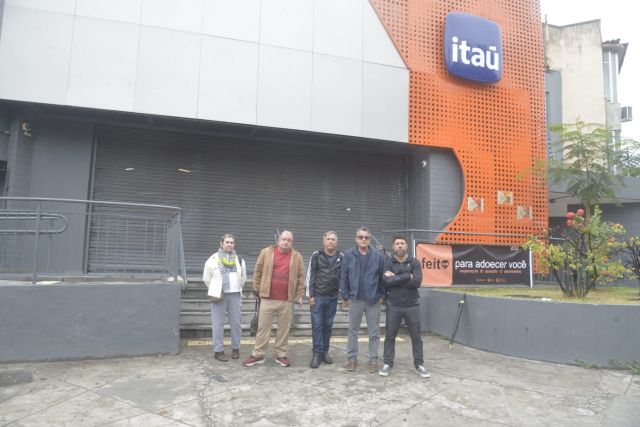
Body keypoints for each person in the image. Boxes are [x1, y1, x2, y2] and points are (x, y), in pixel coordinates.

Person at [243, 230, 305, 367]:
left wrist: (300, 295)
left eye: (289, 240)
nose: (286, 242)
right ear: (278, 239)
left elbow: (301, 277)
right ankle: (258, 355)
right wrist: (256, 288)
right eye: (284, 239)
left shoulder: (297, 256)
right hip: (267, 298)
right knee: (263, 328)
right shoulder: (266, 252)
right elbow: (258, 271)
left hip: (287, 299)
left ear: (292, 242)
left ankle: (281, 355)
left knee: (284, 330)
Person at [378, 236, 430, 378]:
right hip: (393, 305)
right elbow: (388, 281)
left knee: (416, 337)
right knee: (390, 336)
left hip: (412, 305)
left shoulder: (415, 262)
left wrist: (396, 277)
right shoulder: (388, 262)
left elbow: (417, 282)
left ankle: (419, 364)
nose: (399, 245)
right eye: (397, 243)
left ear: (406, 246)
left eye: (402, 243)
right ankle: (388, 363)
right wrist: (407, 276)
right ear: (393, 246)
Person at [339, 227, 385, 373]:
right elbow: (344, 276)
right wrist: (345, 296)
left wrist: (382, 296)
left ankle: (373, 360)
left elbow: (382, 277)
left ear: (370, 239)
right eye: (361, 237)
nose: (363, 239)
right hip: (355, 299)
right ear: (356, 239)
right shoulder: (349, 254)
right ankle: (352, 359)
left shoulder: (378, 256)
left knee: (374, 332)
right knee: (353, 331)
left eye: (366, 237)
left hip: (373, 300)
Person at [202, 233, 247, 362]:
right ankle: (218, 351)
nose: (229, 244)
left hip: (235, 295)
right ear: (221, 243)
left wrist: (236, 288)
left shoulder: (239, 260)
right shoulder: (212, 259)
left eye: (231, 242)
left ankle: (236, 349)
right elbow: (206, 278)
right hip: (219, 295)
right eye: (227, 242)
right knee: (218, 324)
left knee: (236, 323)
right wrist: (216, 289)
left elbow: (243, 277)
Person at [306, 231, 343, 368]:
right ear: (324, 242)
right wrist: (310, 295)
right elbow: (310, 275)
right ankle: (317, 354)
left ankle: (325, 352)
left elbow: (343, 277)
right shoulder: (316, 255)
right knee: (317, 325)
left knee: (328, 325)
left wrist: (344, 295)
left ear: (336, 242)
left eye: (333, 239)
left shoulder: (341, 257)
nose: (331, 241)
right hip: (318, 297)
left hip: (332, 297)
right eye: (328, 239)